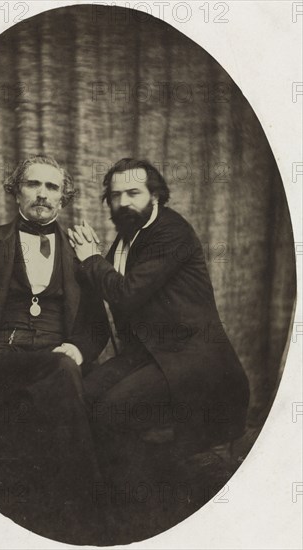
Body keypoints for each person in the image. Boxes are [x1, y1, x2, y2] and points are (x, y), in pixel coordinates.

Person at [68, 158, 250, 541]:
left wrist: (91, 260)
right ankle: (108, 501)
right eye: (115, 195)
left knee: (112, 410)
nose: (123, 202)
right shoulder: (128, 237)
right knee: (83, 396)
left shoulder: (171, 232)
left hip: (193, 356)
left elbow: (128, 294)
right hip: (152, 351)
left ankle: (141, 517)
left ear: (156, 196)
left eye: (133, 193)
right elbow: (110, 293)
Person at [0, 154, 109, 544]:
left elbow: (96, 325)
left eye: (52, 187)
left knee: (62, 369)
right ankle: (91, 510)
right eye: (33, 184)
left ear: (63, 198)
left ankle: (62, 514)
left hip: (57, 359)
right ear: (16, 192)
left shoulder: (76, 249)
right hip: (1, 358)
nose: (42, 194)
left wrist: (79, 350)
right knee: (61, 374)